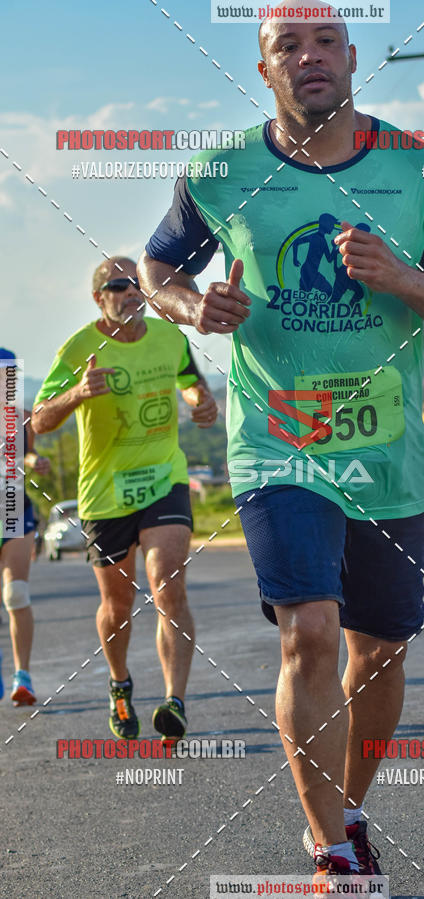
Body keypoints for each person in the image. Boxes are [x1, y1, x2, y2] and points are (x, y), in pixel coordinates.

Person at [137, 0, 424, 880]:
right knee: (311, 629)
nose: (309, 56)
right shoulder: (222, 174)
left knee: (380, 651)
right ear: (264, 70)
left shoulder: (419, 171)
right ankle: (332, 848)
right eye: (285, 45)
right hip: (278, 447)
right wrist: (195, 307)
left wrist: (404, 278)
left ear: (350, 57)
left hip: (384, 453)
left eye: (325, 41)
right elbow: (156, 269)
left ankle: (349, 805)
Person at [31, 258, 218, 742]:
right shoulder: (77, 348)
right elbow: (38, 422)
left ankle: (174, 701)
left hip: (164, 478)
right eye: (119, 286)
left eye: (137, 284)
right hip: (105, 494)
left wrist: (202, 403)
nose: (132, 293)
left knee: (166, 585)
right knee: (116, 605)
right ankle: (120, 685)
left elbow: (191, 384)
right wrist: (76, 393)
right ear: (99, 298)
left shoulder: (169, 338)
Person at [0, 348, 51, 706]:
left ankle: (23, 677)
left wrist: (36, 460)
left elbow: (26, 453)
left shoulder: (18, 417)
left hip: (13, 507)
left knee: (16, 593)